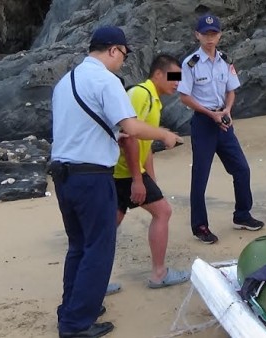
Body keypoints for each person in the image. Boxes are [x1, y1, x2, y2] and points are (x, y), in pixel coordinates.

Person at [50, 26, 181, 338]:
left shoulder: (65, 81)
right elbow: (132, 127)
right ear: (112, 50)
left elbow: (78, 128)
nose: (123, 62)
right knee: (98, 248)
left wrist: (113, 135)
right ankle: (76, 325)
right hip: (92, 177)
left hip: (62, 175)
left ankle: (74, 309)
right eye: (123, 54)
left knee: (79, 246)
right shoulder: (106, 80)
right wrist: (164, 135)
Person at [177, 14, 264, 244]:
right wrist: (210, 114)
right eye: (205, 34)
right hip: (204, 123)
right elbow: (183, 97)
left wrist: (227, 110)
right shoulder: (188, 64)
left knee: (242, 169)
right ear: (197, 35)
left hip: (223, 121)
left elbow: (232, 89)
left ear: (220, 35)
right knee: (200, 177)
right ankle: (200, 226)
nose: (209, 38)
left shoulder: (226, 60)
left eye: (213, 33)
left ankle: (243, 214)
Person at [112, 54, 190, 288]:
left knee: (108, 226)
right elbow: (129, 137)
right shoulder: (141, 94)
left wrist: (150, 179)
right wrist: (138, 179)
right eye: (174, 77)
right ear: (157, 74)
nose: (177, 83)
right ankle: (159, 274)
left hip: (126, 171)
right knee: (163, 212)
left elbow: (146, 145)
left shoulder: (153, 100)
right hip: (124, 171)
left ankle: (94, 281)